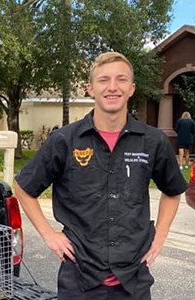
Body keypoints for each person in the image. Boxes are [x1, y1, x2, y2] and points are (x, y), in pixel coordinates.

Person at [14, 52, 186, 300]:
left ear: (132, 88)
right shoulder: (64, 140)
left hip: (133, 279)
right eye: (104, 80)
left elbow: (172, 191)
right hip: (79, 278)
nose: (112, 87)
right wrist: (49, 235)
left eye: (121, 79)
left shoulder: (153, 141)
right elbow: (24, 187)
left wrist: (160, 237)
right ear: (90, 89)